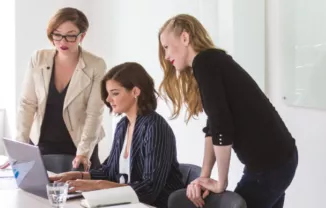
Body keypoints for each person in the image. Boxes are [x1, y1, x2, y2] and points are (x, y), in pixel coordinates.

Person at [158, 14, 298, 208]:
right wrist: (204, 178)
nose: (166, 56)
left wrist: (220, 182)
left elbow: (222, 127)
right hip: (278, 159)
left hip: (271, 164)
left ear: (184, 38)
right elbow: (213, 127)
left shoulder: (205, 63)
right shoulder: (211, 62)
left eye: (166, 47)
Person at [50, 62, 185, 208]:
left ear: (135, 92)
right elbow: (109, 170)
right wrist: (78, 175)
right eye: (108, 94)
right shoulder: (123, 126)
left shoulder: (155, 127)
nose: (108, 99)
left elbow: (149, 189)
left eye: (115, 93)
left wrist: (97, 185)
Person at [0, 7, 106, 171]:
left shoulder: (95, 65)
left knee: (78, 195)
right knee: (36, 193)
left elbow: (94, 113)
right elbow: (27, 104)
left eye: (70, 36)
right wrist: (19, 149)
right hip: (42, 144)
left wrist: (83, 153)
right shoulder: (39, 58)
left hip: (79, 145)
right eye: (57, 35)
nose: (62, 42)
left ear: (81, 36)